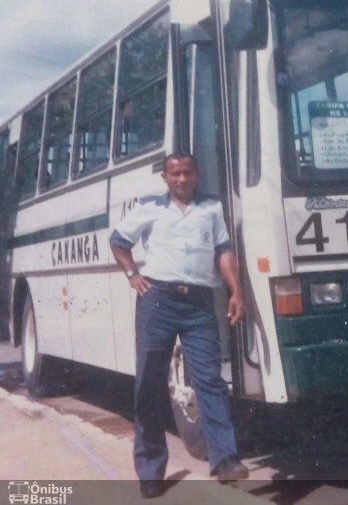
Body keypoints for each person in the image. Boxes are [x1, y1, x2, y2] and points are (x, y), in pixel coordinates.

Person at [109, 153, 249, 498]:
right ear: (165, 178)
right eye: (175, 174)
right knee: (150, 382)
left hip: (199, 303)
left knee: (210, 381)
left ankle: (226, 460)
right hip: (158, 300)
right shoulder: (150, 207)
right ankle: (150, 469)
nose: (182, 179)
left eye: (187, 173)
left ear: (196, 175)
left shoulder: (211, 208)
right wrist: (132, 275)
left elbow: (224, 251)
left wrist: (236, 290)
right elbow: (118, 240)